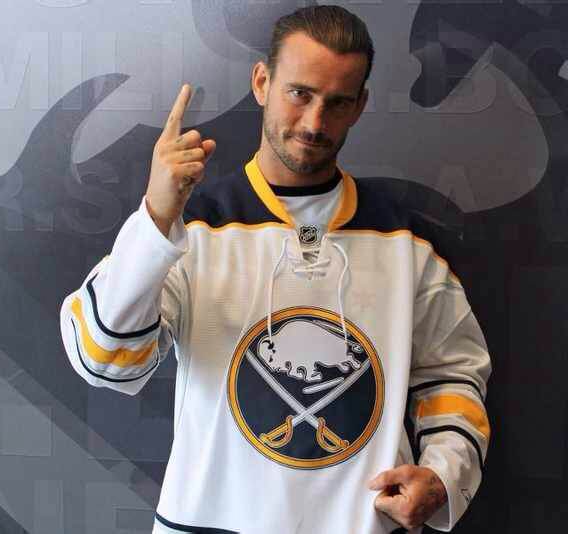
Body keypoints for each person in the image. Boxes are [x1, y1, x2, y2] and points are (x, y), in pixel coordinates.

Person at [60, 6, 491, 533]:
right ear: (262, 82)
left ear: (360, 106)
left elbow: (453, 375)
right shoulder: (193, 229)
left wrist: (442, 477)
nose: (314, 122)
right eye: (300, 94)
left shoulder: (407, 244)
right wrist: (155, 217)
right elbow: (104, 359)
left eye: (337, 102)